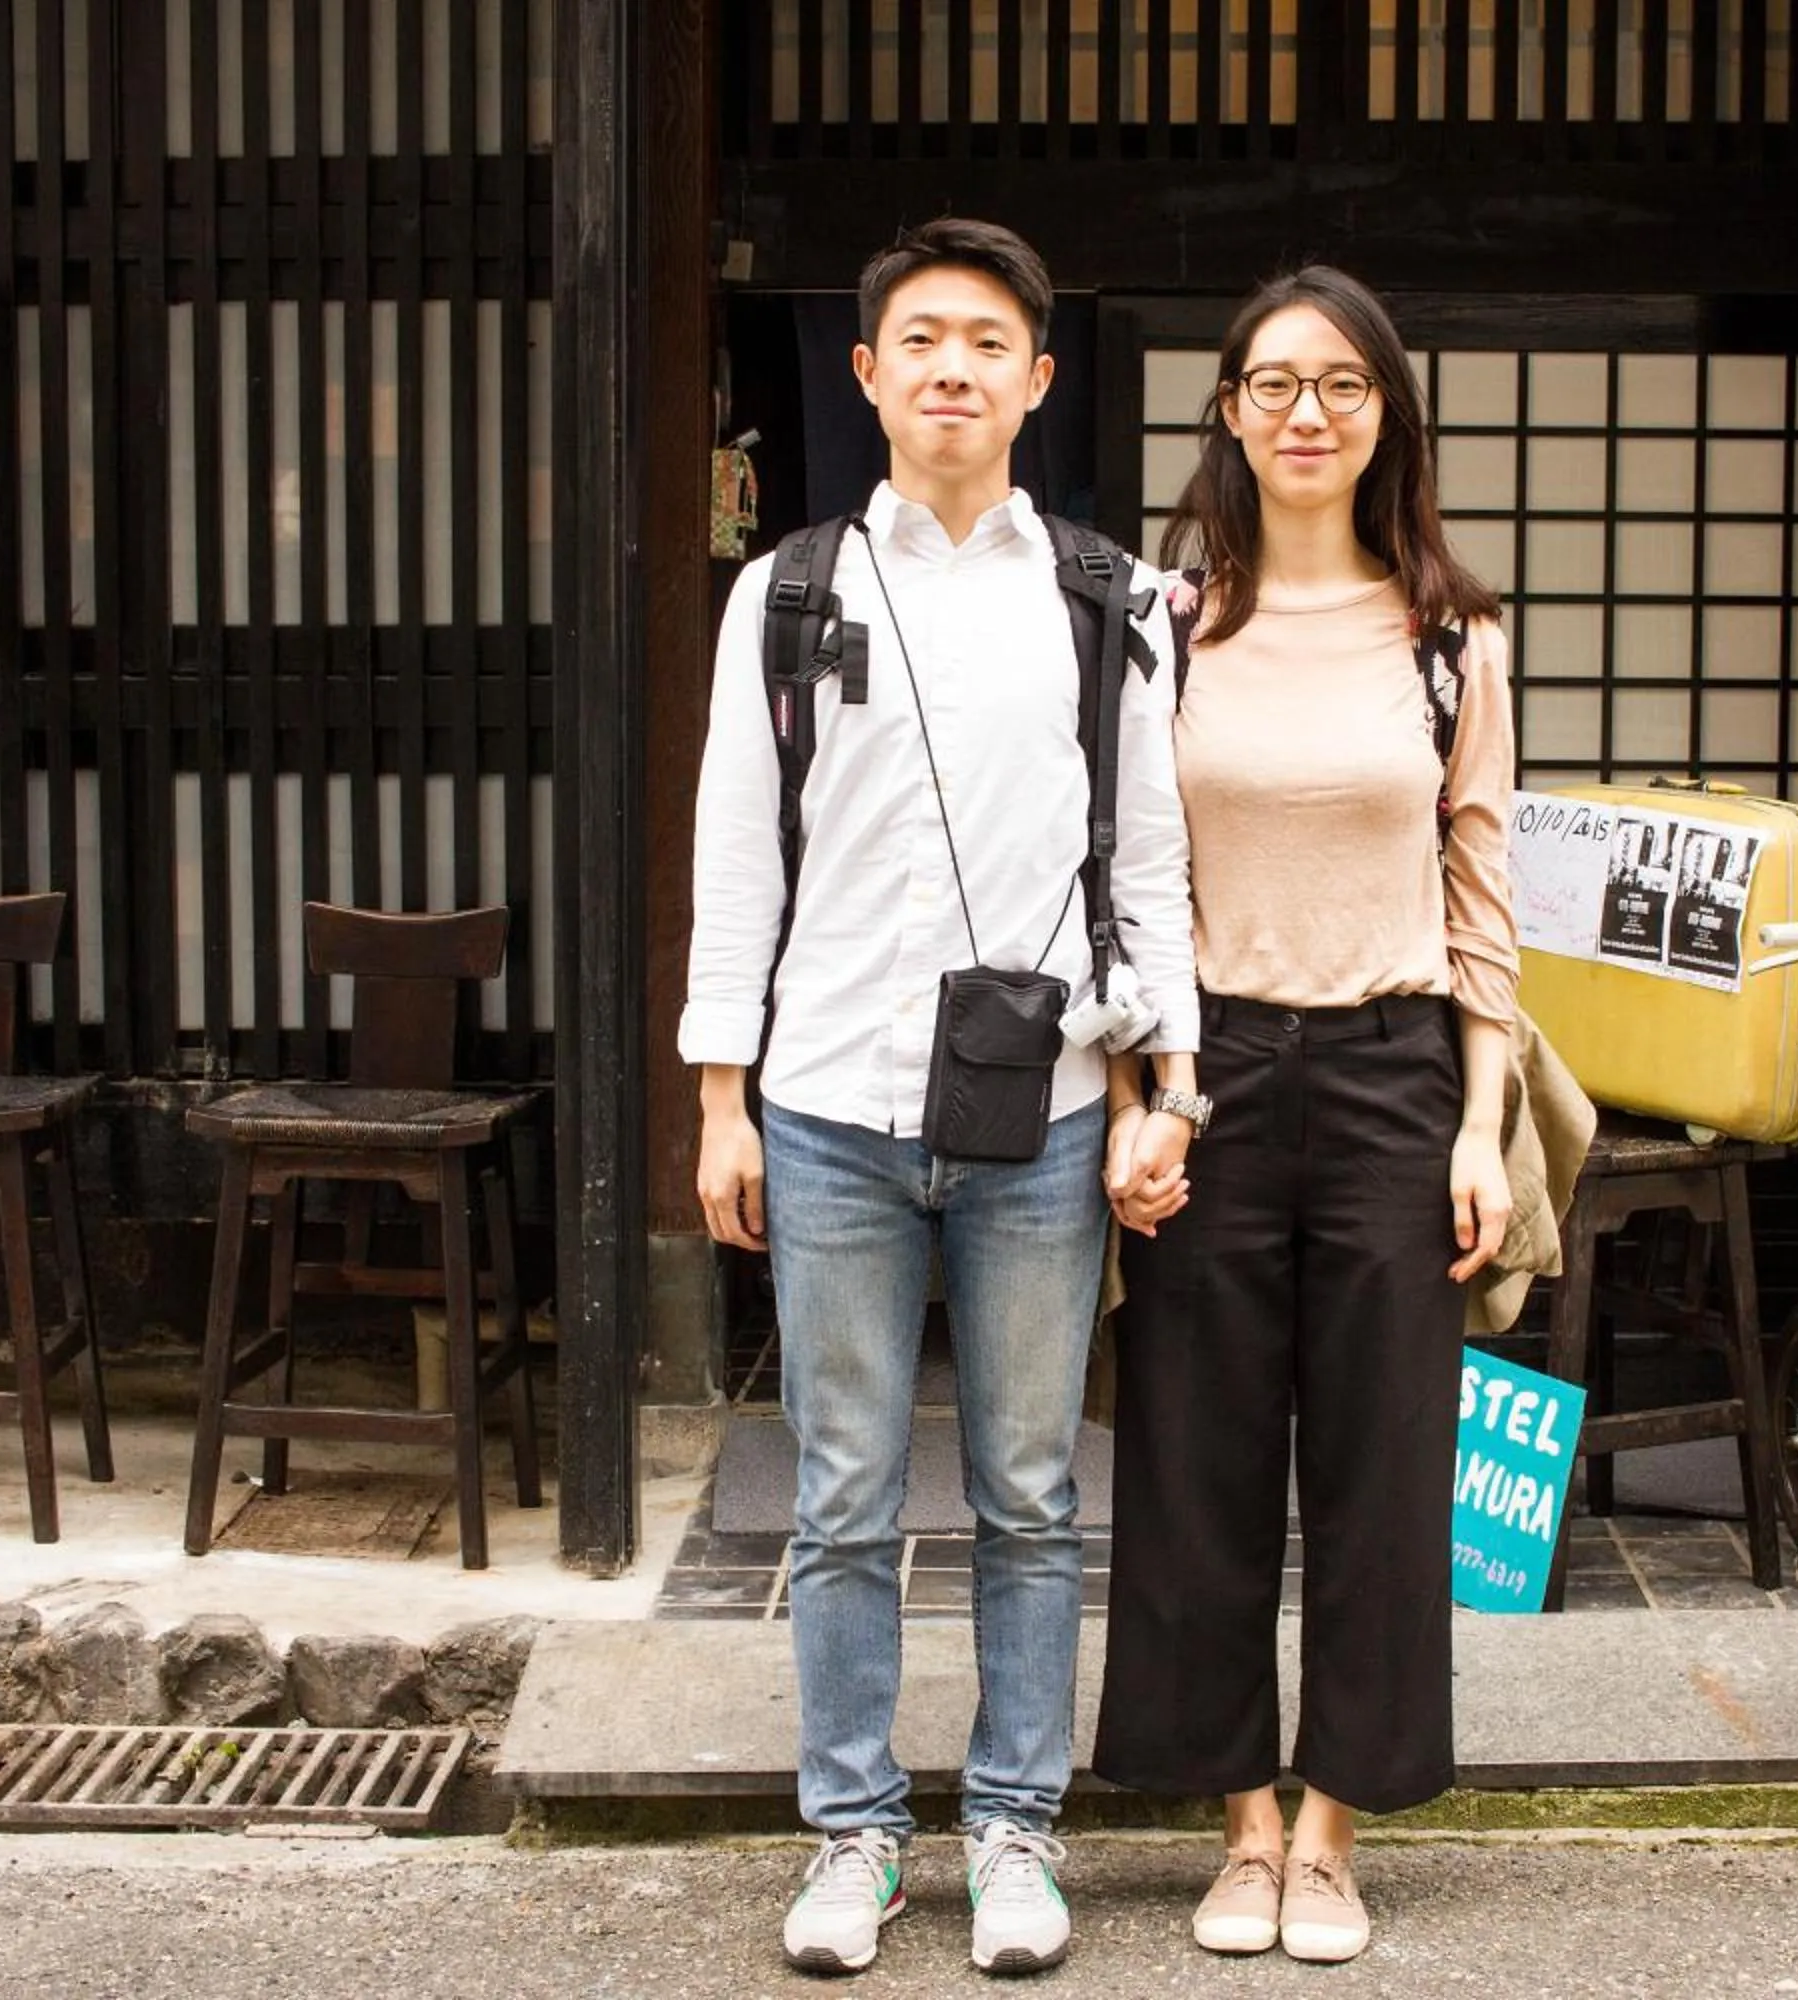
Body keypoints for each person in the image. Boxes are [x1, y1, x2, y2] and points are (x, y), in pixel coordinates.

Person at [680, 217, 1200, 1978]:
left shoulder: (1115, 599)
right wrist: (717, 1096)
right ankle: (850, 1836)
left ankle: (1013, 1830)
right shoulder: (789, 588)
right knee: (838, 1494)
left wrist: (1160, 1082)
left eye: (989, 341)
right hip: (824, 1101)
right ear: (870, 372)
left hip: (1043, 1114)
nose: (955, 367)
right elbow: (735, 862)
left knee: (1034, 1494)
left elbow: (1152, 867)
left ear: (1039, 380)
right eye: (922, 338)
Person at [1090, 265, 1518, 1966]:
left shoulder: (1453, 639)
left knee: (1383, 1463)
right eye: (1273, 385)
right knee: (1192, 1453)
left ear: (1388, 414)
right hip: (1210, 1070)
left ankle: (1334, 1828)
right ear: (1228, 415)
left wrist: (1482, 1125)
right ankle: (1238, 1823)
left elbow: (1484, 893)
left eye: (1342, 385)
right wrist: (1141, 1097)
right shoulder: (1165, 622)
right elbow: (1123, 881)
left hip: (1397, 1069)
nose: (1307, 415)